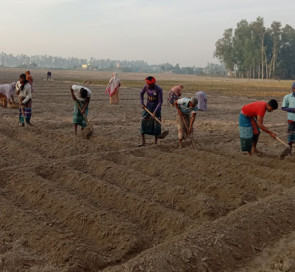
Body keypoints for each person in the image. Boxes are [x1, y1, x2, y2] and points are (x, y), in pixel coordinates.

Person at [139, 76, 163, 146]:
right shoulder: (145, 87)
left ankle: (155, 142)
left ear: (154, 84)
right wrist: (142, 103)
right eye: (148, 85)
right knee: (143, 122)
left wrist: (155, 112)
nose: (148, 86)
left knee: (157, 125)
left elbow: (160, 102)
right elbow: (141, 93)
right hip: (148, 108)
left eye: (150, 85)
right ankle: (143, 141)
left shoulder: (159, 89)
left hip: (157, 109)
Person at [281, 82, 295, 152]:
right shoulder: (287, 97)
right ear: (293, 89)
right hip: (291, 119)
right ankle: (289, 151)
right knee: (290, 135)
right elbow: (283, 107)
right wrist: (292, 109)